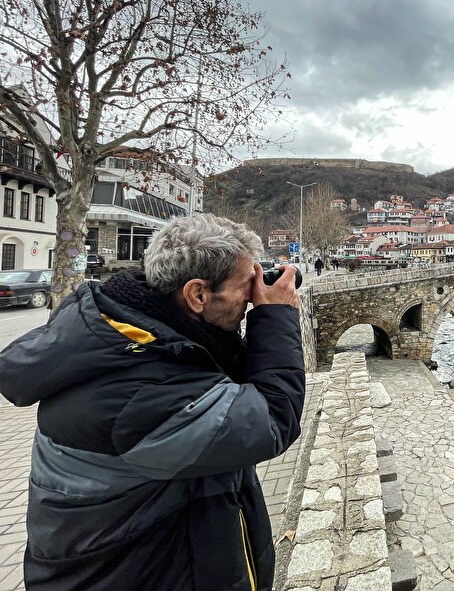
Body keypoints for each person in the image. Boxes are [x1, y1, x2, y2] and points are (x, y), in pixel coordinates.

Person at [0, 213, 305, 590]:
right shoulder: (138, 388)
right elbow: (272, 420)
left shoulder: (146, 336)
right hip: (139, 574)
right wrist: (277, 317)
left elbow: (229, 384)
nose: (252, 296)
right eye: (246, 284)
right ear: (197, 294)